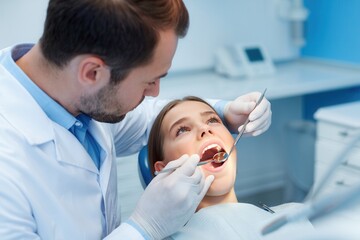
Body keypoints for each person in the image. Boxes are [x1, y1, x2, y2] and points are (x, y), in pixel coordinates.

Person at [0, 0, 272, 239]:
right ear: (92, 73)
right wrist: (143, 229)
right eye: (149, 81)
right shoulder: (8, 170)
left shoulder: (77, 95)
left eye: (211, 123)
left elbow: (149, 117)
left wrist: (226, 111)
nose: (155, 92)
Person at [148, 96, 314, 239]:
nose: (205, 129)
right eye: (182, 130)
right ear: (165, 169)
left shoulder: (295, 216)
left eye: (212, 120)